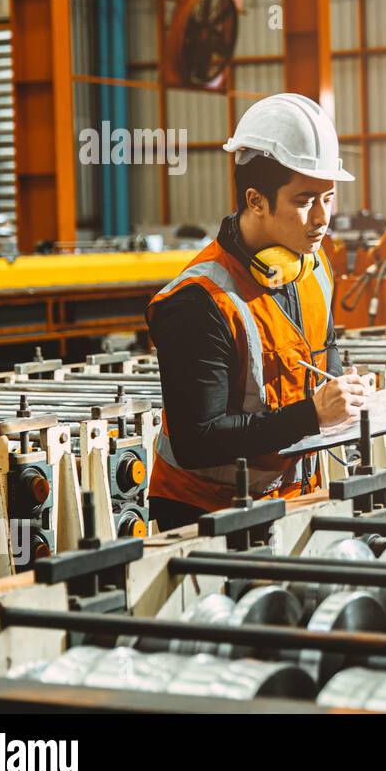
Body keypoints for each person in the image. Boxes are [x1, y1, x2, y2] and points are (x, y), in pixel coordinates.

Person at [146, 93, 368, 530]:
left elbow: (324, 357)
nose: (322, 218)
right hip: (207, 518)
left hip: (295, 499)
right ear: (256, 200)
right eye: (305, 201)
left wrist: (349, 399)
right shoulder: (198, 300)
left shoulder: (314, 267)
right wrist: (312, 415)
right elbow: (197, 440)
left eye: (330, 197)